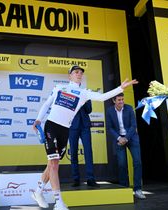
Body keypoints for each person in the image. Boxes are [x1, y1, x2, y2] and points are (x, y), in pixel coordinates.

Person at [32, 65, 138, 210]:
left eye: (81, 72)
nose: (79, 74)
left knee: (51, 164)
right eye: (76, 72)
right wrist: (38, 119)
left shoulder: (84, 93)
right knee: (54, 163)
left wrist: (120, 88)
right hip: (51, 126)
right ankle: (58, 202)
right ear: (69, 75)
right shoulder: (59, 87)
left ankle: (38, 192)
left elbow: (101, 97)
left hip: (65, 130)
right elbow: (47, 104)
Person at [106, 93, 146, 199]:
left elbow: (133, 126)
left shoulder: (129, 108)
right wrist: (119, 138)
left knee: (137, 162)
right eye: (119, 100)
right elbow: (110, 128)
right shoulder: (110, 111)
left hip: (131, 137)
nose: (121, 102)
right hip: (119, 139)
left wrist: (126, 138)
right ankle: (124, 189)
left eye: (122, 99)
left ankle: (138, 189)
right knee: (122, 164)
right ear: (114, 101)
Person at [69, 100, 99, 187]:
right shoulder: (70, 96)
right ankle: (76, 179)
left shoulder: (86, 95)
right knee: (73, 152)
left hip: (85, 126)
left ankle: (90, 179)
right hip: (73, 126)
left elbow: (89, 110)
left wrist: (84, 101)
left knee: (88, 152)